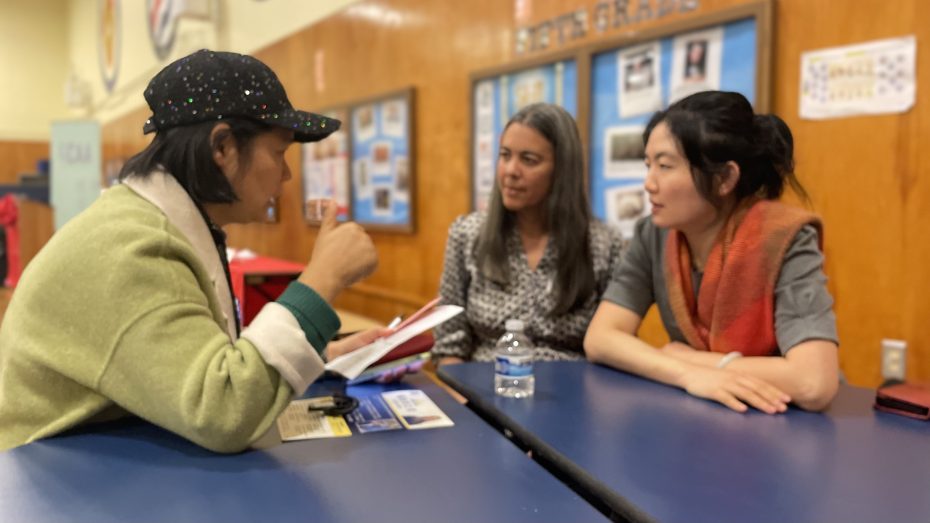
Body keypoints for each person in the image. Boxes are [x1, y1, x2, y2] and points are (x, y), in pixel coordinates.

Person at [0, 50, 380, 453]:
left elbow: (184, 350)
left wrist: (319, 352)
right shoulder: (134, 248)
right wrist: (323, 280)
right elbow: (224, 412)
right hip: (49, 486)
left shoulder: (148, 222)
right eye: (279, 152)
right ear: (223, 147)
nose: (286, 174)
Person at [584, 91, 839, 413]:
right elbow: (601, 338)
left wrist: (695, 360)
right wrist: (688, 374)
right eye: (648, 165)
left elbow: (813, 383)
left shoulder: (783, 239)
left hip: (787, 421)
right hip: (710, 412)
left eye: (665, 166)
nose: (649, 183)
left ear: (724, 178)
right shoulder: (654, 234)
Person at [432, 103, 623, 364]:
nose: (511, 170)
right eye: (505, 155)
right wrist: (459, 403)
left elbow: (613, 346)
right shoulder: (467, 235)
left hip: (570, 395)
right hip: (482, 390)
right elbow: (449, 345)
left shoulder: (604, 244)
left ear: (562, 170)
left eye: (528, 160)